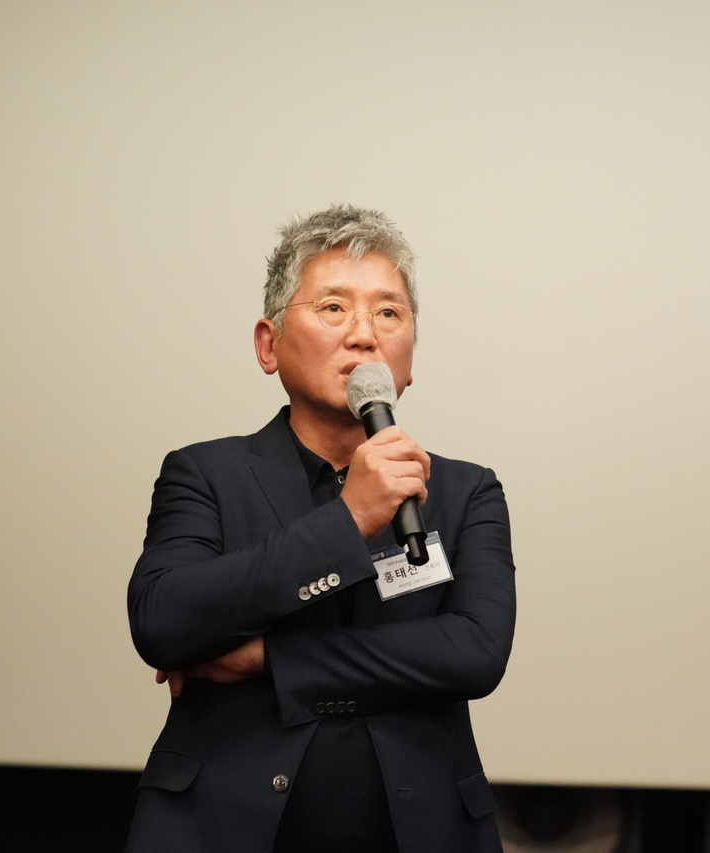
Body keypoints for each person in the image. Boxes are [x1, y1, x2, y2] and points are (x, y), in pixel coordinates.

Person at [125, 205, 516, 853]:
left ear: (410, 355)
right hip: (219, 826)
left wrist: (267, 659)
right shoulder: (206, 473)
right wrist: (350, 519)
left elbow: (473, 650)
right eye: (334, 307)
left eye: (388, 313)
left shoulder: (465, 489)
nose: (365, 333)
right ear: (268, 344)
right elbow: (164, 621)